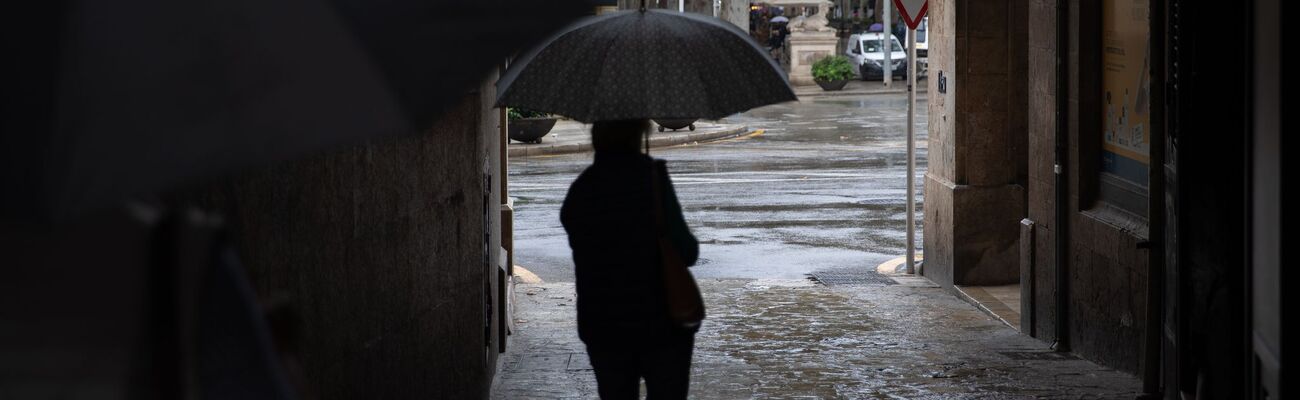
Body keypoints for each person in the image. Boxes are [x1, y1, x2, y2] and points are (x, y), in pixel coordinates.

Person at [560, 119, 700, 400]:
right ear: (638, 135)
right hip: (660, 323)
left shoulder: (582, 189)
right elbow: (687, 251)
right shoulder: (653, 179)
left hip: (603, 323)